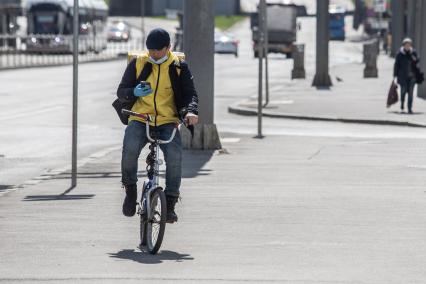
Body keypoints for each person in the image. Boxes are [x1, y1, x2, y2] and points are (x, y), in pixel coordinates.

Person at [116, 28, 199, 223]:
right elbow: (121, 91)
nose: (153, 54)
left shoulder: (179, 67)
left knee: (175, 157)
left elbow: (190, 94)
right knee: (129, 149)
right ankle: (130, 191)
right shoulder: (138, 63)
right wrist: (134, 92)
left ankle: (169, 205)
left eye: (157, 50)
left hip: (167, 120)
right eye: (150, 50)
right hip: (140, 117)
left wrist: (191, 111)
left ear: (168, 48)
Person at [393, 38, 420, 114]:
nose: (407, 46)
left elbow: (417, 61)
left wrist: (412, 56)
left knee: (411, 93)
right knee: (403, 91)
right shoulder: (400, 54)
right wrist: (395, 75)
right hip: (402, 77)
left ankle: (409, 108)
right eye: (406, 45)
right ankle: (402, 104)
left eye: (409, 45)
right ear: (403, 45)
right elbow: (396, 65)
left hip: (412, 77)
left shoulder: (413, 53)